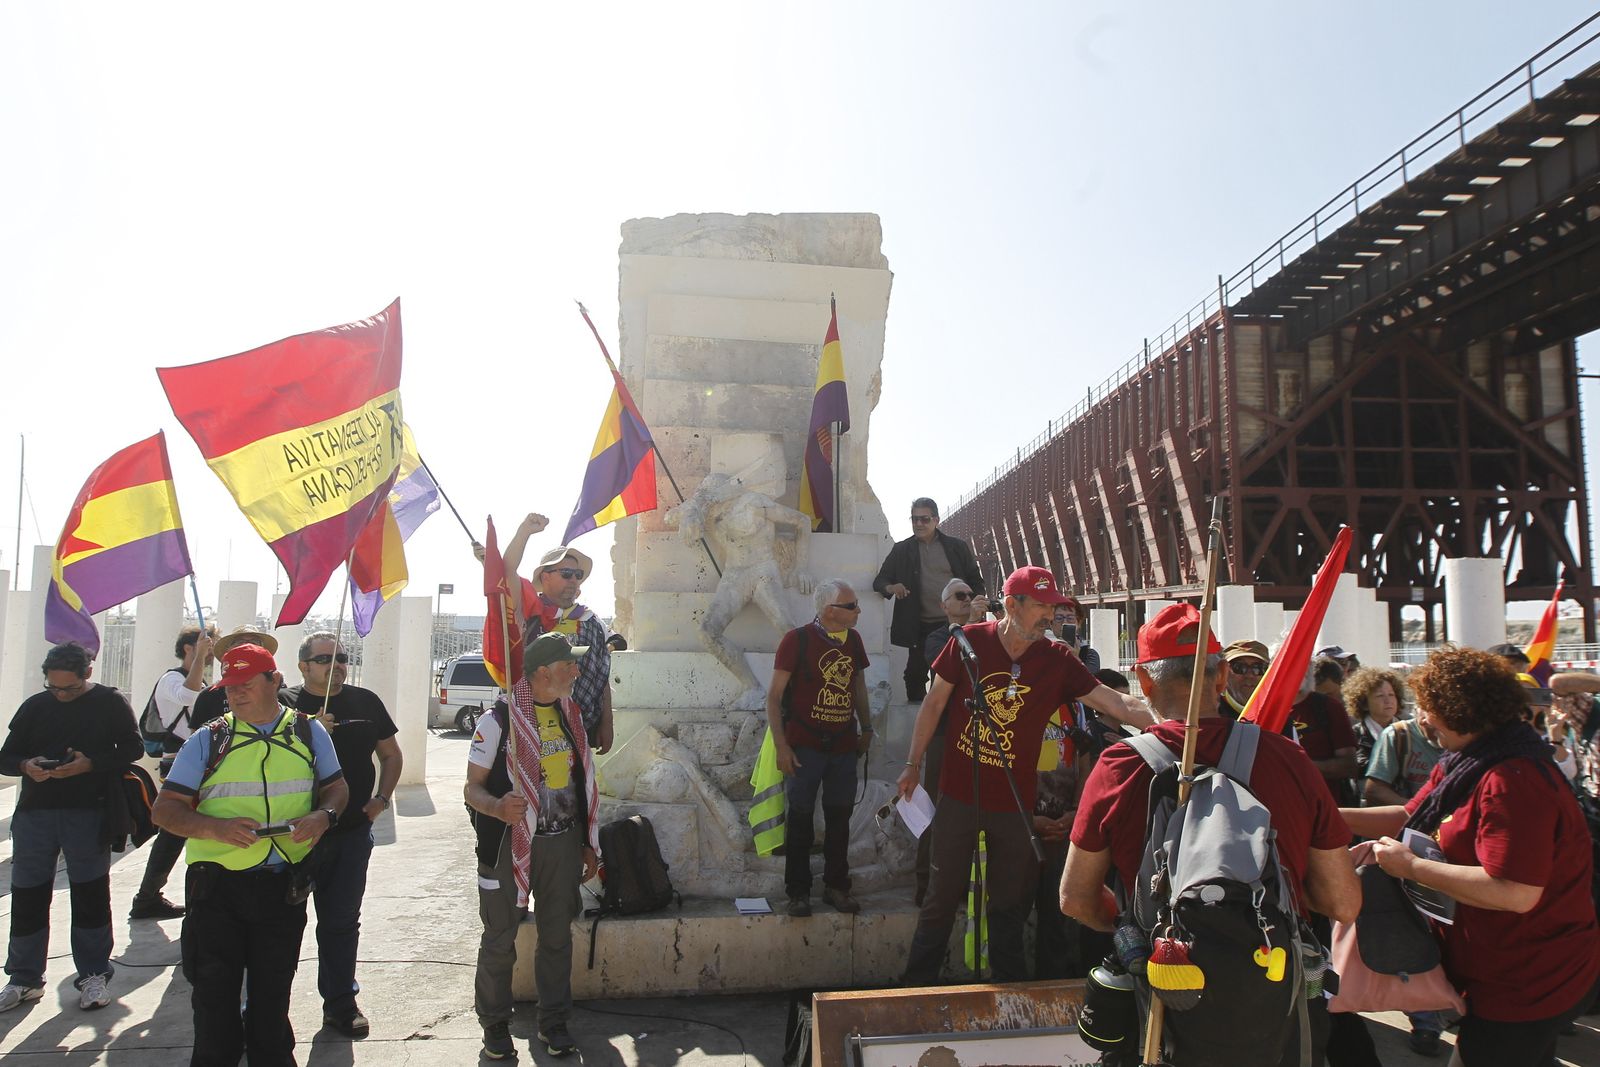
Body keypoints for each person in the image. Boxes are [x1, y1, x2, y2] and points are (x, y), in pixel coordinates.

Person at [1060, 605, 1360, 1066]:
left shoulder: (1121, 766)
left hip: (1164, 1005)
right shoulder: (1287, 759)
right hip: (1274, 1006)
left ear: (1143, 682)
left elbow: (1076, 898)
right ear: (1222, 679)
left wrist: (1133, 925)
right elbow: (1342, 902)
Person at [1342, 647, 1600, 1067]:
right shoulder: (1469, 760)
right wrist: (1325, 816)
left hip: (1531, 975)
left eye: (1428, 709)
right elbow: (1410, 814)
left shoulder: (1511, 780)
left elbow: (1515, 892)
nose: (1421, 720)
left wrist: (1412, 867)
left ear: (1460, 711)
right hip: (1499, 967)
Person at [896, 566, 1154, 984]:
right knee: (939, 901)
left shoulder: (1056, 661)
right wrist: (911, 764)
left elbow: (1115, 703)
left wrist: (1172, 724)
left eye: (1053, 607)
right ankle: (913, 991)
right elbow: (934, 704)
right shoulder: (969, 643)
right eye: (1041, 606)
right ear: (1011, 604)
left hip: (1014, 803)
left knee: (1009, 907)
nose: (1049, 616)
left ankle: (1009, 995)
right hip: (960, 797)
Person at [151, 643, 347, 1067]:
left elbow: (337, 787)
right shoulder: (209, 739)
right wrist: (215, 828)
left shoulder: (310, 732)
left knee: (272, 999)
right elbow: (164, 810)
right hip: (217, 889)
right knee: (214, 1003)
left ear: (275, 681)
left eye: (245, 684)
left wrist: (324, 816)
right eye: (229, 687)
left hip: (283, 887)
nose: (235, 694)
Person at [467, 633, 600, 1061]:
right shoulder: (497, 722)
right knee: (500, 937)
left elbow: (580, 784)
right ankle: (495, 1025)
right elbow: (471, 789)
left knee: (557, 937)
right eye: (570, 664)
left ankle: (554, 1022)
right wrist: (497, 805)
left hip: (561, 843)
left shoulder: (571, 716)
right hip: (508, 844)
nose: (577, 671)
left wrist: (587, 843)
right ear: (544, 671)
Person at [0, 642, 143, 1013]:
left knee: (89, 893)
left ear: (88, 674)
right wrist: (28, 765)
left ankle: (94, 973)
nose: (61, 694)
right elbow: (6, 757)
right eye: (55, 687)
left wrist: (90, 764)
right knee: (29, 894)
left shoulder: (110, 703)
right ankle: (24, 977)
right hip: (36, 813)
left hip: (88, 812)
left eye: (70, 688)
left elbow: (132, 748)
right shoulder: (35, 706)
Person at [287, 632, 403, 1038]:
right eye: (323, 659)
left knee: (340, 922)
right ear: (303, 666)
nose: (334, 665)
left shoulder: (365, 701)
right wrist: (309, 734)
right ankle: (266, 1010)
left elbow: (391, 754)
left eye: (341, 658)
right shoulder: (285, 705)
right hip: (294, 838)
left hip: (351, 833)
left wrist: (381, 800)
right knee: (281, 925)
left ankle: (339, 1003)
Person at [765, 580, 872, 916]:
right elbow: (774, 697)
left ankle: (837, 887)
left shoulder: (853, 640)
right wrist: (782, 745)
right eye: (851, 605)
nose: (858, 611)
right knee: (799, 820)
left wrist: (867, 727)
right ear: (829, 611)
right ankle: (798, 892)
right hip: (804, 746)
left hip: (843, 745)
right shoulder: (796, 640)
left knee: (840, 818)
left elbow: (858, 686)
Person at [503, 513, 614, 752]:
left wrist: (607, 723)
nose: (574, 580)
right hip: (533, 724)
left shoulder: (591, 621)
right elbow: (507, 572)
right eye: (566, 574)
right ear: (546, 577)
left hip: (580, 727)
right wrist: (524, 532)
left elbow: (601, 674)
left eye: (578, 575)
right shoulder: (530, 610)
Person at [130, 624, 216, 921]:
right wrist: (200, 659)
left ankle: (149, 896)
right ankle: (147, 897)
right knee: (174, 830)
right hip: (178, 760)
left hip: (199, 762)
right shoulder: (172, 678)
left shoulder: (202, 682)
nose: (211, 651)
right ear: (189, 648)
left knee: (180, 831)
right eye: (206, 645)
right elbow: (188, 697)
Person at [911, 578, 990, 905]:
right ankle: (926, 882)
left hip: (981, 736)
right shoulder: (939, 637)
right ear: (944, 605)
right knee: (937, 807)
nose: (967, 600)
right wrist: (970, 623)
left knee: (976, 811)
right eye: (960, 596)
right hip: (946, 735)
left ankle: (964, 883)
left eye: (971, 595)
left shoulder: (988, 637)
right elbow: (944, 665)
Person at [873, 497, 984, 703]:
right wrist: (892, 587)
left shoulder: (956, 547)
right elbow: (880, 581)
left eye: (924, 519)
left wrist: (974, 611)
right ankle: (921, 721)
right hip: (919, 628)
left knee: (948, 675)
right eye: (914, 519)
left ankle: (945, 725)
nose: (918, 524)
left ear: (936, 520)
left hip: (954, 626)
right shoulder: (902, 550)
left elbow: (976, 581)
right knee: (914, 676)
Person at [1344, 666, 1408, 787]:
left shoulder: (1409, 730)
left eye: (1391, 694)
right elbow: (1359, 768)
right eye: (1380, 696)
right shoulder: (1355, 734)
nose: (1388, 701)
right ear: (1364, 704)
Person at [1219, 639, 1270, 719]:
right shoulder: (1211, 713)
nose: (1249, 675)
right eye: (1239, 667)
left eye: (1258, 668)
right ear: (1224, 672)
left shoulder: (1277, 714)